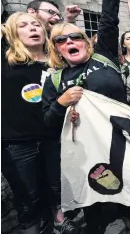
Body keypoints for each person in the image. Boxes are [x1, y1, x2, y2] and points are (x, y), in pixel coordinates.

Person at [42, 0, 130, 234]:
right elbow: (47, 120)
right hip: (85, 149)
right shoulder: (56, 79)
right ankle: (96, 224)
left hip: (120, 137)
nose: (70, 42)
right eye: (62, 40)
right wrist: (62, 103)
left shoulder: (103, 54)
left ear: (86, 41)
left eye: (75, 37)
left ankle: (129, 215)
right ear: (57, 50)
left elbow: (108, 19)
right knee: (95, 193)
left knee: (126, 182)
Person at [1, 12, 79, 234]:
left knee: (57, 188)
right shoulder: (5, 60)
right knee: (28, 197)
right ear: (12, 32)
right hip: (17, 144)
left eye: (36, 25)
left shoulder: (58, 63)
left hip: (53, 138)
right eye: (23, 25)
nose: (32, 28)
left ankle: (59, 221)